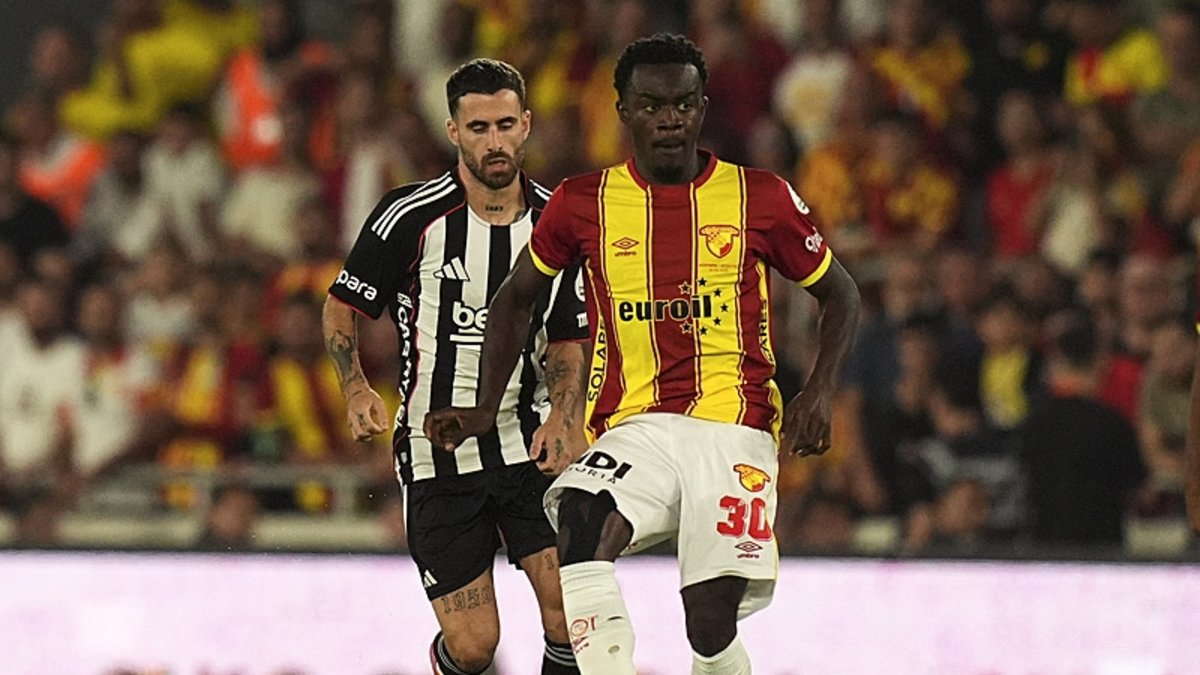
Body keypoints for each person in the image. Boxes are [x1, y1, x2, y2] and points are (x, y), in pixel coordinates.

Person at [425, 34, 861, 675]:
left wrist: (819, 389)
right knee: (580, 518)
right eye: (652, 105)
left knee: (708, 624)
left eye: (683, 104)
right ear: (624, 111)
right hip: (636, 428)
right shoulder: (583, 202)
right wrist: (486, 408)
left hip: (733, 426)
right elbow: (516, 298)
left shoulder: (760, 197)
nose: (669, 119)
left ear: (702, 108)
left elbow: (840, 293)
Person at [323, 59, 586, 675]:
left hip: (529, 443)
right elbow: (342, 305)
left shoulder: (556, 222)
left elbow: (566, 339)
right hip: (437, 450)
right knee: (474, 646)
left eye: (504, 125)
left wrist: (565, 417)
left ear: (526, 125)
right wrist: (355, 386)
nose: (494, 142)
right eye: (478, 128)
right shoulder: (409, 216)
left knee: (570, 616)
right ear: (453, 132)